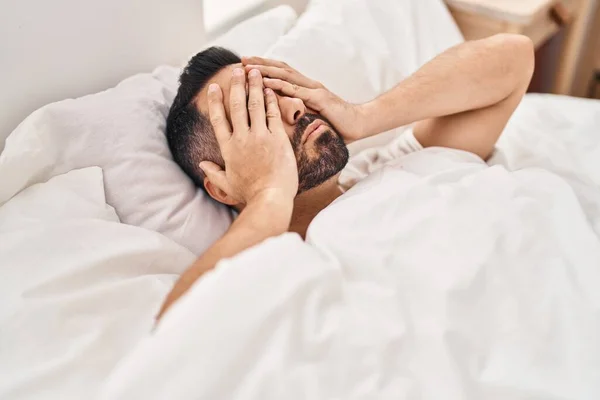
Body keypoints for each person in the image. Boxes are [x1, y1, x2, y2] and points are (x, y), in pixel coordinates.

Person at [158, 33, 534, 318]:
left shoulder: (390, 166)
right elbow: (177, 333)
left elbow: (514, 55)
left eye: (281, 90)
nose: (294, 107)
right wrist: (268, 191)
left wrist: (363, 116)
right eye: (258, 114)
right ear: (221, 185)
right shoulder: (264, 270)